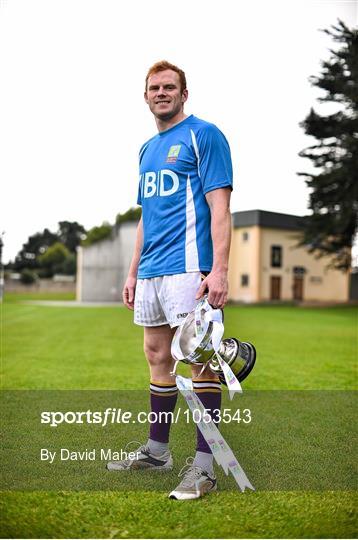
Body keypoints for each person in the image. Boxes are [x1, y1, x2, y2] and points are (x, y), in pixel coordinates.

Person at [107, 60, 233, 500]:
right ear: (145, 96)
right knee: (157, 354)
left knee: (201, 361)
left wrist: (219, 269)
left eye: (169, 87)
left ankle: (204, 467)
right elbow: (146, 216)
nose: (161, 93)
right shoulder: (145, 150)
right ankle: (157, 451)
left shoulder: (205, 135)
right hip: (151, 272)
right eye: (154, 88)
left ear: (183, 93)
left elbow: (220, 207)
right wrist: (131, 270)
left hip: (189, 269)